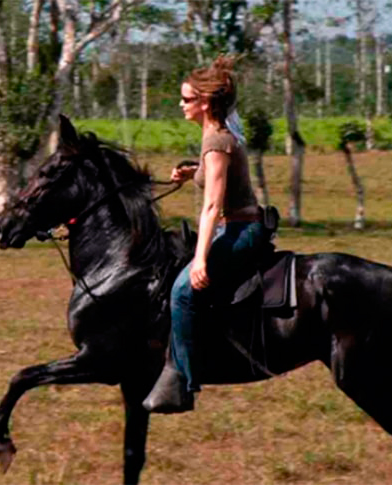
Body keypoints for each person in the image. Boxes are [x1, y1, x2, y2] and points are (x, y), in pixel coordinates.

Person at [143, 56, 266, 414]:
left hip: (241, 229)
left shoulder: (215, 140)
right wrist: (192, 173)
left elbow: (211, 207)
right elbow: (220, 174)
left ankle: (184, 380)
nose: (181, 105)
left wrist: (200, 260)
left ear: (206, 102)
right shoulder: (218, 135)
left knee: (183, 291)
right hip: (238, 224)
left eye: (186, 99)